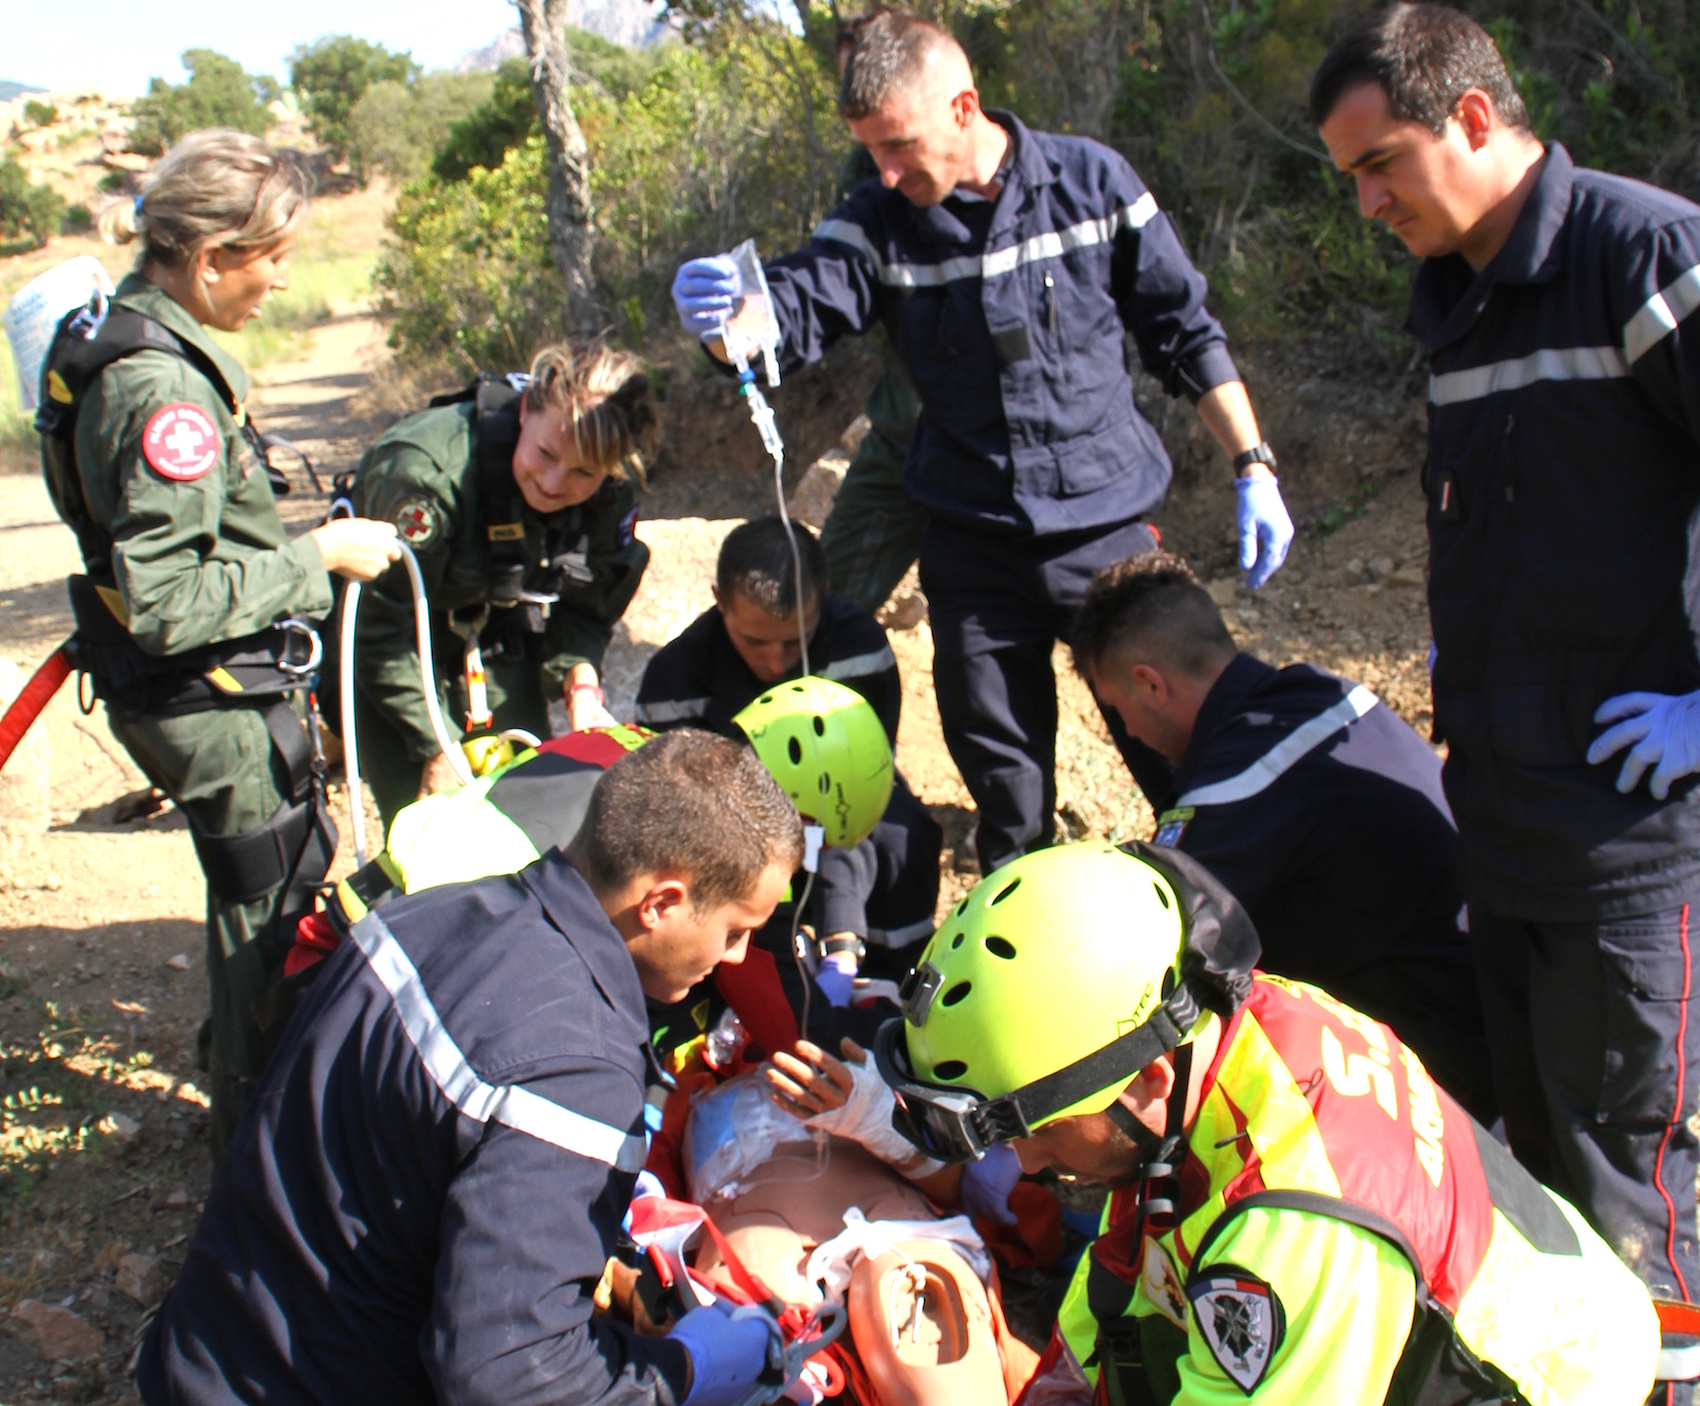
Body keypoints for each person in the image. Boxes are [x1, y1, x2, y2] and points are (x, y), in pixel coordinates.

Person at [671, 10, 1294, 873]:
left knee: (1186, 754)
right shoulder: (882, 221)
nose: (884, 173)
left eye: (898, 146)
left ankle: (1236, 924)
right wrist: (725, 322)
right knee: (1008, 793)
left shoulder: (1092, 184)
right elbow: (799, 304)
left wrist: (1252, 464)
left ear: (964, 107)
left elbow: (1183, 333)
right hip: (973, 546)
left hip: (1107, 535)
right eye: (870, 152)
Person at [1311, 3, 1700, 1335]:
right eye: (1349, 177)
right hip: (1513, 816)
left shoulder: (1641, 253)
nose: (1366, 204)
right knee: (1541, 1170)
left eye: (1381, 166)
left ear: (1474, 119)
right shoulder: (1460, 304)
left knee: (1635, 1198)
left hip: (1629, 840)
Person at [139, 729, 803, 1406]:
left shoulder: (430, 914)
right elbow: (512, 1378)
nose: (738, 959)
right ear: (660, 902)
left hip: (213, 1348)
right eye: (734, 929)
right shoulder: (578, 1065)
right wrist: (681, 1373)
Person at [871, 842, 1661, 1402]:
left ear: (1145, 1079)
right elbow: (1135, 1255)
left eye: (1031, 1128)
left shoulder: (1291, 1233)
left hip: (1536, 1380)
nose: (1026, 1161)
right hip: (1549, 1295)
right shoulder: (1227, 1030)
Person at [34, 129, 401, 1158]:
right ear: (209, 258)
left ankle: (247, 1082)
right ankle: (254, 1151)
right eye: (271, 255)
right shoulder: (162, 392)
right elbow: (167, 599)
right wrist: (315, 553)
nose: (281, 279)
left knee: (266, 900)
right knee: (272, 925)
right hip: (208, 698)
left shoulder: (129, 339)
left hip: (202, 686)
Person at [1071, 551, 1494, 1123]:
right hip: (1494, 1002)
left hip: (1443, 1079)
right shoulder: (1324, 696)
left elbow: (1148, 953)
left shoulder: (1238, 789)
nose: (1133, 734)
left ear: (1151, 685)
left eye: (1120, 712)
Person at [343, 341, 656, 829]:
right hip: (394, 650)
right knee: (425, 832)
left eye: (583, 472)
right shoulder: (426, 475)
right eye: (546, 454)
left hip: (497, 634)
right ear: (525, 412)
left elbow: (589, 604)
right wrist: (437, 746)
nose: (554, 483)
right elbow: (375, 626)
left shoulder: (609, 492)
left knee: (520, 817)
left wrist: (581, 687)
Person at [635, 517, 942, 990]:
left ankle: (894, 977)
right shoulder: (674, 681)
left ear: (823, 598)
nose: (776, 664)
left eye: (795, 640)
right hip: (732, 832)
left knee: (903, 834)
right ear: (720, 601)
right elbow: (681, 814)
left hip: (844, 807)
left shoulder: (857, 650)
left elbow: (863, 779)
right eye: (754, 641)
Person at [817, 14, 926, 615]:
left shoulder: (979, 170)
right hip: (903, 425)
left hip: (994, 445)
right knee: (826, 606)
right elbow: (832, 283)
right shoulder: (861, 175)